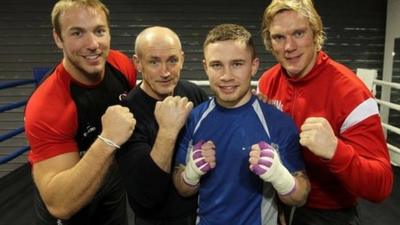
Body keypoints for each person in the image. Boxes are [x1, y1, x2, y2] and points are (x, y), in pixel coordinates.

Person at [257, 0, 393, 224]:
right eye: (279, 37)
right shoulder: (267, 82)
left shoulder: (352, 92)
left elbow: (381, 185)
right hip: (277, 199)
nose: (288, 47)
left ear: (316, 34)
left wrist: (335, 151)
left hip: (328, 212)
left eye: (298, 33)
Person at [172, 23, 310, 225]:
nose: (226, 76)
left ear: (253, 66)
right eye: (217, 65)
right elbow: (182, 189)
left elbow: (301, 196)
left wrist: (282, 178)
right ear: (205, 67)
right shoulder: (194, 118)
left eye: (237, 64)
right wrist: (190, 175)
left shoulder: (277, 123)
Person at [24, 0, 137, 224]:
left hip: (111, 181)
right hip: (71, 188)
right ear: (58, 38)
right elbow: (60, 204)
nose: (93, 44)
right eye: (77, 33)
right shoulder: (47, 106)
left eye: (99, 31)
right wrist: (108, 140)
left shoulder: (121, 65)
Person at [115, 26, 208, 225]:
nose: (165, 72)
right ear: (138, 63)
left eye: (172, 60)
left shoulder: (194, 93)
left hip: (201, 211)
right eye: (154, 62)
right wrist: (167, 130)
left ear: (182, 59)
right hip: (156, 220)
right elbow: (147, 195)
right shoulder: (126, 113)